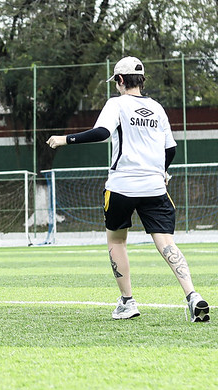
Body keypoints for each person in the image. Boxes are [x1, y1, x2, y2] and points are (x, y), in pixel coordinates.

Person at [47, 56, 210, 322]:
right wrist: (163, 172)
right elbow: (171, 149)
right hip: (154, 186)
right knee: (166, 242)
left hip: (122, 185)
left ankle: (127, 302)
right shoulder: (157, 108)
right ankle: (192, 295)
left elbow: (101, 133)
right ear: (142, 81)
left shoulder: (117, 103)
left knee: (116, 240)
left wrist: (65, 139)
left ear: (120, 80)